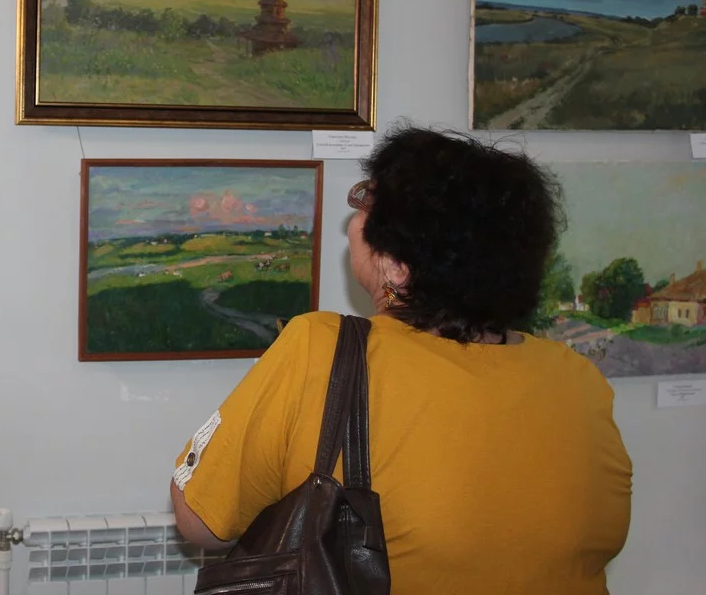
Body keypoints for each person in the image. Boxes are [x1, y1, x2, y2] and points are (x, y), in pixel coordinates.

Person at [170, 127, 632, 594]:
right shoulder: (578, 379)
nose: (353, 220)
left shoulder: (320, 349)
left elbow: (200, 521)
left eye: (366, 206)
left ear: (396, 266)